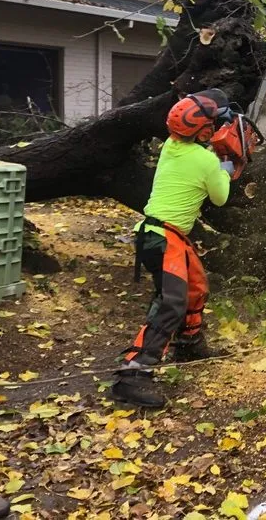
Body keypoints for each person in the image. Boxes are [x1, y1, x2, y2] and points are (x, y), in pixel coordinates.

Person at [110, 89, 236, 408]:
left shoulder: (170, 145)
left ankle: (189, 343)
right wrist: (229, 163)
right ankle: (133, 375)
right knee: (171, 303)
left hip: (160, 234)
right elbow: (221, 196)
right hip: (164, 237)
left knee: (195, 289)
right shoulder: (207, 160)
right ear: (204, 130)